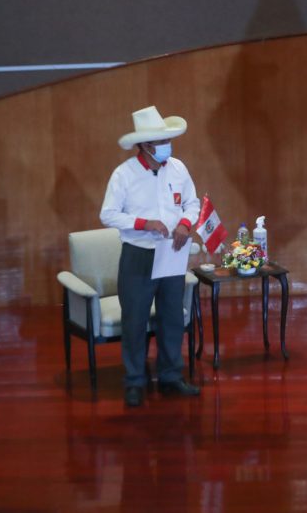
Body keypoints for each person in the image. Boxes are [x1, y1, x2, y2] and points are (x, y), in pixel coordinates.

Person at [101, 105, 202, 407]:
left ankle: (171, 377)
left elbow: (192, 203)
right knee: (135, 320)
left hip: (172, 253)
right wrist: (144, 224)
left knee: (172, 317)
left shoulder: (178, 168)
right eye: (161, 142)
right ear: (145, 145)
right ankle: (134, 381)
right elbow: (108, 215)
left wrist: (186, 223)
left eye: (167, 141)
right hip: (138, 256)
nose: (167, 147)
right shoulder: (124, 174)